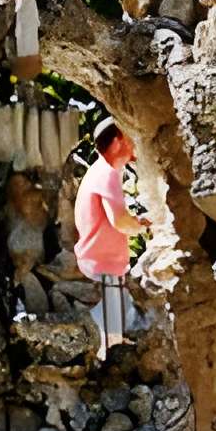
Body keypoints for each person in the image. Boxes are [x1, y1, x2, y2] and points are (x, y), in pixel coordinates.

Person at [72, 120, 145, 358]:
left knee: (118, 309)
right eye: (129, 137)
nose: (135, 143)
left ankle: (111, 346)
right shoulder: (107, 174)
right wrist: (145, 225)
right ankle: (109, 353)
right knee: (112, 319)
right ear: (116, 143)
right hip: (102, 260)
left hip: (101, 258)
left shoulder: (100, 171)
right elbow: (120, 221)